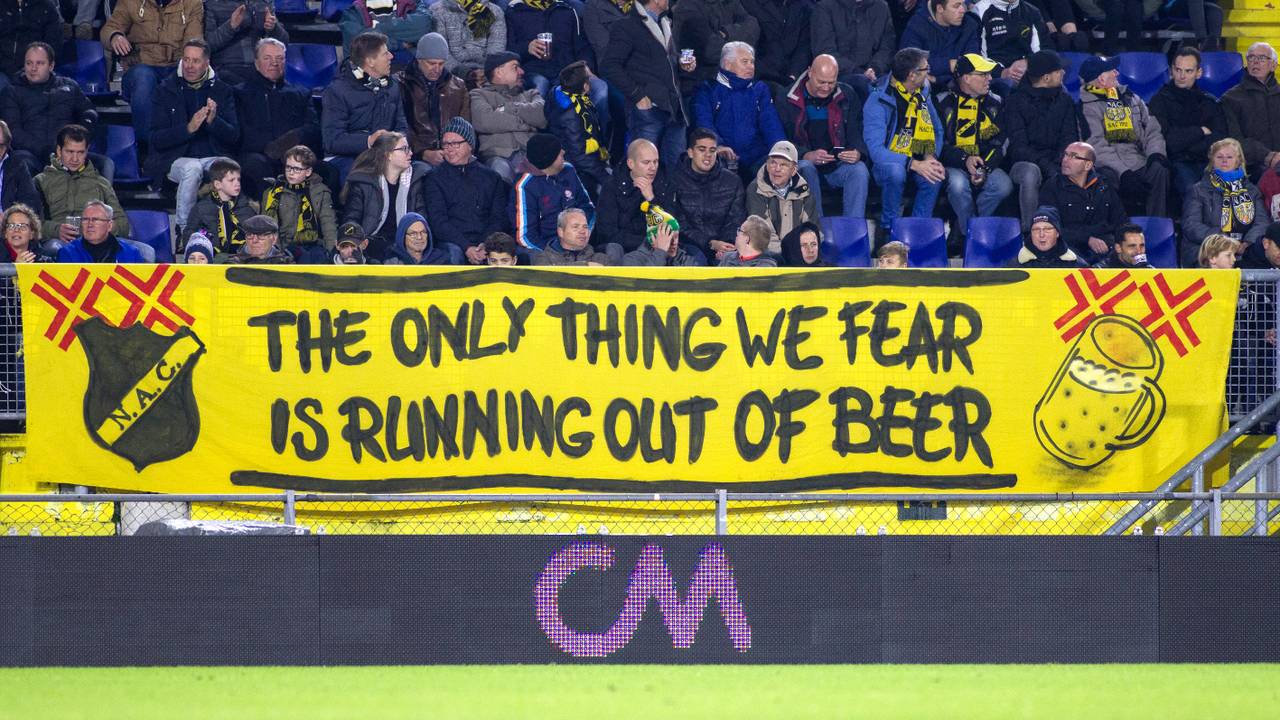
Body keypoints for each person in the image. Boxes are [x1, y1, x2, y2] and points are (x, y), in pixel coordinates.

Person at [147, 39, 241, 235]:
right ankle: (184, 231)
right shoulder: (165, 90)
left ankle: (229, 229)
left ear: (206, 63)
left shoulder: (222, 91)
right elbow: (155, 138)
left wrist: (213, 122)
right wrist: (188, 129)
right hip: (174, 159)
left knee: (228, 168)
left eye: (195, 61)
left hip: (212, 156)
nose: (189, 66)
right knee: (193, 168)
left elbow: (234, 136)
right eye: (186, 59)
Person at [599, 0, 697, 168]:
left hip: (674, 108)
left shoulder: (666, 23)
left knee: (675, 169)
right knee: (643, 168)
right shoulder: (627, 26)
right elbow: (609, 65)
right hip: (648, 111)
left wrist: (681, 63)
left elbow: (664, 60)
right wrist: (638, 95)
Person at [935, 53, 1013, 251]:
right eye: (983, 74)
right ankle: (972, 236)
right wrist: (964, 160)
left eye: (989, 74)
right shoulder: (941, 101)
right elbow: (937, 143)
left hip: (985, 162)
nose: (989, 79)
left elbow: (1001, 142)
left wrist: (983, 167)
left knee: (1003, 185)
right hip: (953, 163)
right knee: (958, 185)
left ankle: (966, 230)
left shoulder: (997, 102)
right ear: (966, 78)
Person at [101, 0, 205, 147]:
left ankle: (189, 145)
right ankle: (148, 145)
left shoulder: (191, 3)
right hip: (139, 68)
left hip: (175, 66)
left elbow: (194, 41)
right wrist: (115, 36)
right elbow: (109, 28)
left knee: (190, 76)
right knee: (144, 77)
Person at [863, 47, 944, 236]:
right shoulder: (878, 100)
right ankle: (888, 230)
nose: (928, 73)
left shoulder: (923, 92)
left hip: (917, 155)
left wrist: (930, 157)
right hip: (886, 164)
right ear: (912, 75)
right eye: (925, 70)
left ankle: (917, 231)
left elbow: (937, 130)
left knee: (934, 174)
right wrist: (912, 164)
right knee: (896, 171)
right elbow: (876, 151)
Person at [1077, 55, 1170, 218]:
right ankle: (1115, 231)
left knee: (1159, 170)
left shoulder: (1130, 97)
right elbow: (1096, 147)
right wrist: (1124, 172)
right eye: (1112, 70)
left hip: (1138, 159)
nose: (1117, 73)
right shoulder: (1086, 108)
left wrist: (1155, 155)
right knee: (1106, 178)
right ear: (1101, 79)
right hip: (1110, 166)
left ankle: (1155, 224)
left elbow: (1152, 129)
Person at [235, 38, 323, 200]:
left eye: (279, 58)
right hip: (257, 154)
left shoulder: (301, 93)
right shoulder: (240, 93)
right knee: (257, 166)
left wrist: (287, 143)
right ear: (256, 63)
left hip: (294, 154)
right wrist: (270, 149)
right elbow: (240, 132)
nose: (274, 63)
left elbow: (313, 128)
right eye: (267, 58)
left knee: (328, 170)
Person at [1002, 50, 1078, 228]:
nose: (1063, 73)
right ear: (1046, 78)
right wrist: (1048, 165)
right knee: (1031, 173)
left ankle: (1075, 233)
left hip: (1056, 160)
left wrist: (1061, 162)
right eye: (1059, 71)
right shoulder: (1015, 102)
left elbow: (1069, 137)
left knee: (1080, 166)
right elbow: (1019, 148)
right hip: (1023, 163)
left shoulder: (1065, 100)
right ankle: (1030, 231)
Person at [0, 43, 98, 177]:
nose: (33, 68)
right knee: (20, 161)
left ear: (51, 66)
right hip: (31, 154)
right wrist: (45, 149)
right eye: (29, 63)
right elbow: (13, 131)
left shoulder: (69, 86)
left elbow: (88, 111)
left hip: (67, 152)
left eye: (39, 63)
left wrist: (80, 135)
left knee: (105, 164)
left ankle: (102, 198)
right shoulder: (12, 91)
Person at [321, 31, 409, 180]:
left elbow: (402, 126)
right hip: (347, 158)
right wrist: (369, 141)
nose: (391, 57)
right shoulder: (337, 91)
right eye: (385, 54)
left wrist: (396, 145)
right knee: (366, 176)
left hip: (386, 154)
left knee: (417, 172)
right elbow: (332, 140)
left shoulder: (392, 87)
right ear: (370, 61)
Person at [421, 117, 510, 264]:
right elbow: (439, 222)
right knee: (454, 254)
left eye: (455, 143)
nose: (449, 148)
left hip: (486, 240)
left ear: (470, 145)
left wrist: (485, 244)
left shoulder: (491, 177)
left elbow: (498, 218)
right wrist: (466, 247)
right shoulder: (434, 178)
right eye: (445, 144)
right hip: (453, 242)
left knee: (505, 253)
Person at [692, 42, 785, 179]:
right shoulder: (708, 89)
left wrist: (782, 151)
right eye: (745, 62)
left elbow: (771, 124)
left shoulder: (760, 89)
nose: (751, 66)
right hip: (722, 157)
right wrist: (717, 145)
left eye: (752, 62)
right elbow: (704, 124)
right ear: (727, 64)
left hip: (757, 157)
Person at [1147, 47, 1229, 201]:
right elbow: (1168, 141)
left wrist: (1187, 141)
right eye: (1178, 70)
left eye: (1188, 71)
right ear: (1172, 70)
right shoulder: (1159, 101)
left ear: (1199, 72)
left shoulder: (1208, 101)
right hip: (1179, 163)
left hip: (1210, 161)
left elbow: (1221, 137)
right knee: (1193, 190)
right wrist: (1200, 131)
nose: (1182, 76)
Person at [505, 0, 606, 118]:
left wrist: (586, 68)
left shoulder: (567, 10)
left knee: (600, 87)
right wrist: (527, 48)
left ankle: (597, 134)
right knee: (540, 85)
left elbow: (582, 47)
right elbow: (508, 51)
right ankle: (537, 135)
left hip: (567, 71)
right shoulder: (515, 11)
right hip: (533, 72)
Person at [341, 131, 431, 261]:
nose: (410, 153)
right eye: (404, 149)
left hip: (405, 243)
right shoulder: (363, 183)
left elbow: (422, 219)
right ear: (388, 155)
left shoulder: (414, 181)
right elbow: (351, 221)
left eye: (409, 149)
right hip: (371, 243)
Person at [35, 125, 131, 244]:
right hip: (60, 241)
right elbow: (29, 223)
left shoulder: (101, 183)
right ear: (59, 151)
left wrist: (103, 228)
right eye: (70, 152)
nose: (75, 159)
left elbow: (123, 225)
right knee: (58, 248)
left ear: (87, 151)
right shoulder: (40, 181)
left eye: (80, 152)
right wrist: (55, 230)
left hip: (98, 242)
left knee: (147, 252)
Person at [1182, 138, 1269, 267]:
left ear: (1238, 161)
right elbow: (1191, 225)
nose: (1224, 161)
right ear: (1212, 160)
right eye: (1219, 157)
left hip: (1243, 249)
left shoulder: (1252, 191)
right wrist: (1223, 241)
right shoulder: (1198, 190)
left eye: (1229, 157)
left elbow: (1262, 223)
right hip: (1209, 249)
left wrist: (1247, 243)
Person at [1038, 141, 1126, 265]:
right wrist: (1087, 239)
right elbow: (1047, 227)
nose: (1065, 160)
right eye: (1065, 155)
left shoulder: (1104, 186)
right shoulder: (1052, 186)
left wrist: (1117, 245)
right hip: (1069, 249)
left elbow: (1121, 221)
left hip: (1104, 247)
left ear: (1088, 165)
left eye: (1073, 156)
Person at [470, 51, 547, 182]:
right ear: (499, 72)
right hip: (498, 157)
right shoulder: (479, 95)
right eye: (515, 67)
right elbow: (484, 121)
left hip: (531, 155)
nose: (521, 72)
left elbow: (542, 116)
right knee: (499, 173)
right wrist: (526, 123)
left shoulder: (531, 94)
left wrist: (509, 108)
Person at [512, 134, 595, 252]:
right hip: (546, 250)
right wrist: (555, 253)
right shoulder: (525, 185)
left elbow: (588, 207)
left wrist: (585, 233)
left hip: (578, 243)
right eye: (558, 152)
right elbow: (525, 237)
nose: (563, 152)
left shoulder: (569, 170)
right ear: (549, 159)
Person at [672, 128, 744, 264]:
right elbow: (678, 223)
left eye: (712, 150)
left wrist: (724, 245)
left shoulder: (732, 181)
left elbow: (735, 220)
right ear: (690, 152)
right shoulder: (674, 180)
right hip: (688, 246)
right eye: (702, 149)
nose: (708, 155)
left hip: (724, 246)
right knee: (696, 263)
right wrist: (710, 243)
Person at [597, 138, 681, 252]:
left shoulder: (666, 183)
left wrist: (652, 199)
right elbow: (608, 233)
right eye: (646, 162)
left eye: (655, 161)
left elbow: (671, 227)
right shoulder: (612, 186)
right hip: (623, 248)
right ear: (631, 163)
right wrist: (647, 243)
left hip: (659, 248)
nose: (653, 167)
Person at [400, 33, 471, 167]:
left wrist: (452, 151)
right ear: (419, 59)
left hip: (453, 155)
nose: (437, 69)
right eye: (431, 63)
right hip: (414, 156)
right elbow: (401, 127)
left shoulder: (458, 86)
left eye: (441, 64)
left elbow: (465, 127)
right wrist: (423, 152)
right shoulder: (401, 84)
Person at [261, 145, 339, 263]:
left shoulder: (320, 192)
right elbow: (268, 226)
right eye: (288, 167)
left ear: (308, 171)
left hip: (312, 245)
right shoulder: (273, 193)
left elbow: (328, 224)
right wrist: (277, 252)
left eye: (297, 169)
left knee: (315, 257)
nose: (291, 173)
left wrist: (331, 254)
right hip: (283, 246)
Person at [546, 60, 610, 195]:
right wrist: (604, 178)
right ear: (585, 86)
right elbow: (579, 155)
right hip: (578, 172)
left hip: (585, 163)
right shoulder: (571, 114)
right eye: (589, 76)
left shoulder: (560, 93)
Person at [1221, 43, 1280, 180]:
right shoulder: (1231, 98)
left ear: (1273, 65)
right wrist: (1267, 156)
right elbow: (1234, 140)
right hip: (1253, 164)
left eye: (1262, 58)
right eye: (1251, 57)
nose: (1255, 62)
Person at [809, 0, 893, 92]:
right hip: (840, 75)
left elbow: (887, 48)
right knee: (862, 84)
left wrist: (874, 68)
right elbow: (825, 51)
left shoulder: (881, 7)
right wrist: (860, 72)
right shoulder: (824, 8)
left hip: (875, 73)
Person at [746, 140, 815, 251]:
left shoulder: (804, 191)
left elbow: (813, 229)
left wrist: (801, 252)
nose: (777, 169)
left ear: (793, 170)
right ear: (767, 165)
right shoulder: (755, 189)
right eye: (773, 163)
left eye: (783, 164)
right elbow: (761, 232)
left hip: (799, 254)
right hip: (768, 253)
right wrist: (786, 254)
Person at [673, 0, 761, 86]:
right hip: (702, 85)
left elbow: (754, 27)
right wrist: (741, 43)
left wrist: (726, 33)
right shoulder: (687, 7)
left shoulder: (729, 2)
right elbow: (711, 50)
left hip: (732, 82)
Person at [203, 0, 289, 86]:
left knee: (291, 93)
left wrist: (274, 28)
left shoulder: (264, 3)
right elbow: (207, 46)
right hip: (227, 68)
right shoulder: (213, 4)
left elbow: (283, 42)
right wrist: (230, 26)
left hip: (260, 67)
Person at [898, 0, 981, 89]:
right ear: (940, 8)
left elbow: (971, 66)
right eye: (956, 6)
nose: (963, 10)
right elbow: (910, 65)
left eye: (963, 4)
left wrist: (937, 79)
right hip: (925, 90)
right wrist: (949, 65)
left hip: (959, 89)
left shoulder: (969, 25)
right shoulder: (917, 25)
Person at [972, 0, 1049, 94]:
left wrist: (1029, 62)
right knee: (1012, 87)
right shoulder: (980, 11)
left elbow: (1045, 47)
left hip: (1029, 70)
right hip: (995, 75)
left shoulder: (1031, 11)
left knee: (1055, 84)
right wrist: (1001, 72)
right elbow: (975, 53)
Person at [183, 157, 257, 253]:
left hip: (241, 259)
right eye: (231, 180)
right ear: (218, 184)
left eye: (238, 180)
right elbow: (189, 237)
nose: (237, 184)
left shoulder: (247, 208)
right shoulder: (201, 209)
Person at [738, 0, 812, 86]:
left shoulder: (804, 7)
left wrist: (793, 75)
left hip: (789, 79)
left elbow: (803, 46)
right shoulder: (748, 3)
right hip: (757, 76)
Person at [431, 0, 506, 81]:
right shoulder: (438, 10)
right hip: (451, 73)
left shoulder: (494, 11)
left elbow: (497, 47)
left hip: (486, 73)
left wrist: (488, 72)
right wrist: (464, 73)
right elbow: (441, 51)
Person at [55, 201, 146, 263]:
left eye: (95, 220)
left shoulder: (131, 253)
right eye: (85, 219)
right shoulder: (67, 253)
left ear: (109, 225)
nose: (90, 224)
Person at [0, 0, 60, 92]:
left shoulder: (47, 6)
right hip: (3, 70)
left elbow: (53, 44)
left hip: (34, 70)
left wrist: (33, 68)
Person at [336, 0, 433, 56]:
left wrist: (377, 28)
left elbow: (424, 24)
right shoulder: (352, 13)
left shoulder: (411, 3)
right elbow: (361, 44)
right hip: (369, 74)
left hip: (408, 70)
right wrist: (399, 44)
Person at [532, 207, 624, 265]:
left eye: (585, 227)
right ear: (561, 232)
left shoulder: (601, 259)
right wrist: (585, 266)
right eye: (575, 227)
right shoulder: (544, 259)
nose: (582, 231)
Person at [1006, 204, 1083, 268]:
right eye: (1036, 229)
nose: (1041, 234)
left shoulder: (1076, 265)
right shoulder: (1015, 266)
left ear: (1057, 233)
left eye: (1047, 229)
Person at [0, 120, 43, 214]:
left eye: (0, 146)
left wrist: (9, 219)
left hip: (9, 225)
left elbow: (31, 205)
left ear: (7, 146)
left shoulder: (17, 166)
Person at [623, 215, 699, 266]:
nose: (674, 242)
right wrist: (660, 252)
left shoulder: (685, 260)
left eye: (676, 237)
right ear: (652, 238)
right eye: (667, 237)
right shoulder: (632, 259)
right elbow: (644, 285)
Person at [384, 211, 451, 265]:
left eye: (423, 232)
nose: (419, 237)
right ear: (402, 236)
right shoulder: (391, 261)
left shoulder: (442, 260)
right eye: (413, 233)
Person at [225, 213, 294, 263]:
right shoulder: (232, 264)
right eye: (250, 235)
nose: (254, 240)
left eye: (261, 236)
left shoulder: (285, 263)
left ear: (273, 239)